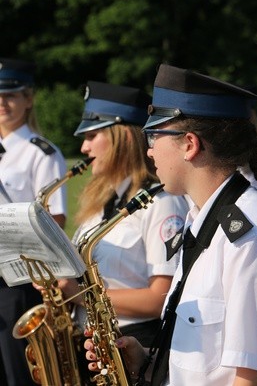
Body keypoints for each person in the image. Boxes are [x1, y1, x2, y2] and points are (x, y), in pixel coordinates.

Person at [86, 64, 257, 386]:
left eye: (153, 135)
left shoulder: (253, 238)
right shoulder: (202, 221)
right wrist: (146, 361)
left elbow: (254, 380)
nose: (148, 150)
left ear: (190, 145)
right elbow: (210, 365)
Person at [58, 82, 189, 355]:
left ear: (124, 138)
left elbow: (160, 298)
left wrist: (82, 295)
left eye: (93, 135)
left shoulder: (161, 204)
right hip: (93, 342)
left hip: (134, 346)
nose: (84, 147)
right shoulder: (99, 203)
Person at [0, 58, 67, 385]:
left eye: (11, 95)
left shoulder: (41, 154)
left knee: (17, 374)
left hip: (18, 281)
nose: (2, 102)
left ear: (29, 99)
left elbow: (55, 219)